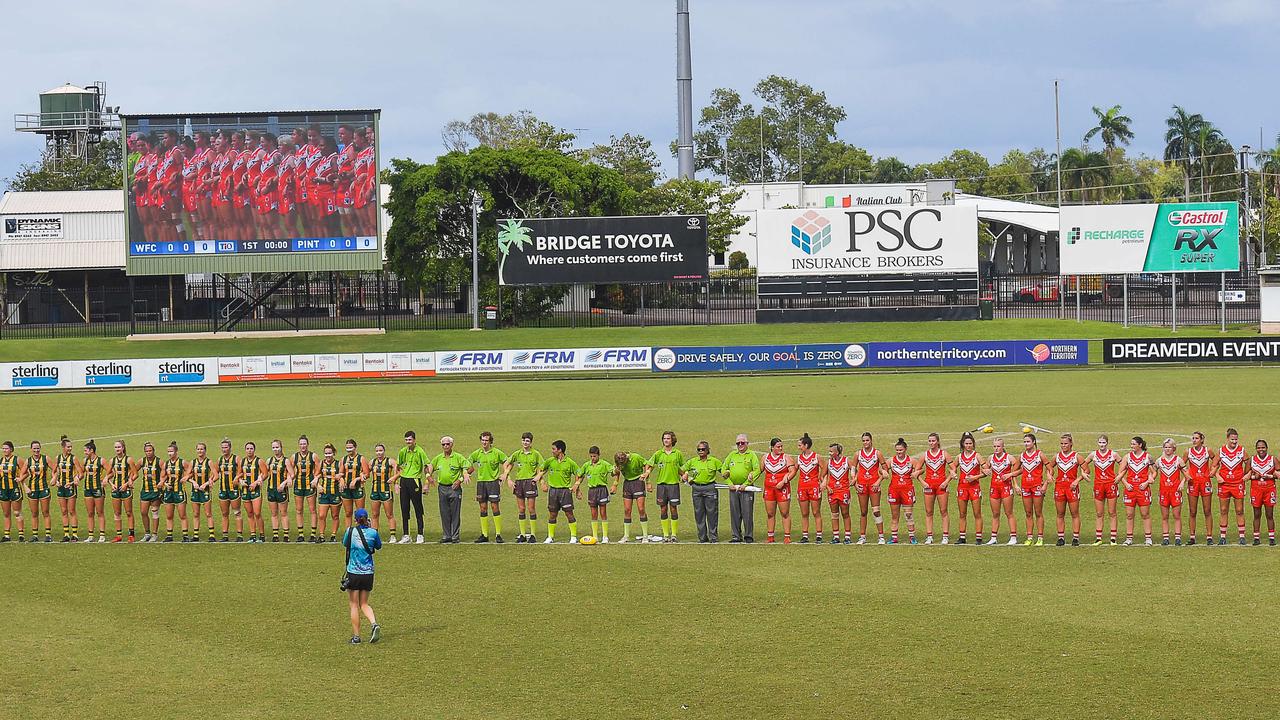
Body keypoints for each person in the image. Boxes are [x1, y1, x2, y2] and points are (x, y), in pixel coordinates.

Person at [343, 508, 383, 645]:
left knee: (354, 605)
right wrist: (371, 529)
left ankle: (356, 637)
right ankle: (373, 623)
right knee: (364, 604)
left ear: (355, 520)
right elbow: (378, 546)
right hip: (368, 573)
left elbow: (344, 544)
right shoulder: (373, 533)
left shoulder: (350, 531)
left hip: (354, 572)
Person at [643, 431, 686, 543]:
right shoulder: (658, 454)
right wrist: (647, 474)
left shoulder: (677, 453)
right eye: (664, 438)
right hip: (661, 485)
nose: (666, 440)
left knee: (673, 509)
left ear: (672, 440)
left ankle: (674, 535)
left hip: (673, 485)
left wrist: (684, 475)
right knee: (663, 509)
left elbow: (682, 467)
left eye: (668, 438)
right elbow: (649, 465)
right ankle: (666, 535)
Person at [537, 440, 580, 543]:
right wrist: (542, 482)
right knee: (552, 514)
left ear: (560, 450)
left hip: (565, 491)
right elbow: (540, 469)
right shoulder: (550, 461)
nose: (552, 451)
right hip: (553, 492)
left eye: (554, 449)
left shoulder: (570, 462)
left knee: (569, 513)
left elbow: (578, 474)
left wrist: (577, 488)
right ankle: (550, 537)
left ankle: (573, 536)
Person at [468, 431, 507, 543]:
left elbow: (505, 461)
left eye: (486, 440)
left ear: (490, 442)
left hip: (493, 483)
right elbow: (468, 462)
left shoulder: (496, 452)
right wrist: (467, 472)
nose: (484, 442)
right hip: (481, 483)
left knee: (495, 507)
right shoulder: (477, 453)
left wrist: (504, 473)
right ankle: (484, 535)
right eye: (483, 440)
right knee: (483, 508)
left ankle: (498, 534)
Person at [720, 434, 760, 543]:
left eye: (742, 443)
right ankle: (736, 536)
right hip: (734, 488)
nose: (740, 445)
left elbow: (757, 470)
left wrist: (746, 484)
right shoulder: (732, 455)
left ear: (747, 443)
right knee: (735, 513)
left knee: (747, 513)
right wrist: (729, 483)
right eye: (738, 443)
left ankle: (748, 536)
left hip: (746, 489)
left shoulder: (751, 455)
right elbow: (723, 469)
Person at [430, 436, 469, 544]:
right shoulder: (438, 458)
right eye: (443, 444)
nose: (445, 446)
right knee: (444, 512)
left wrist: (460, 480)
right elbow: (429, 467)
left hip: (454, 488)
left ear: (452, 445)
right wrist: (428, 476)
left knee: (455, 513)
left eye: (447, 444)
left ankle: (455, 536)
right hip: (442, 487)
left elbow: (470, 468)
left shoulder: (458, 457)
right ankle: (446, 535)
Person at [682, 441, 722, 543]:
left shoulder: (714, 461)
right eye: (699, 449)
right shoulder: (693, 461)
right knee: (699, 513)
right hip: (696, 488)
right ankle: (702, 537)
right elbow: (681, 470)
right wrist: (686, 475)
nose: (700, 451)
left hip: (710, 488)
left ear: (708, 450)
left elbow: (724, 470)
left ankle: (713, 537)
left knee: (712, 513)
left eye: (703, 449)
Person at [505, 432, 542, 543]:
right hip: (519, 483)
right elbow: (507, 464)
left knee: (531, 509)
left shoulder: (536, 454)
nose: (525, 443)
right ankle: (522, 534)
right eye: (523, 440)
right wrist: (509, 479)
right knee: (521, 509)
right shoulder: (517, 453)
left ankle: (533, 535)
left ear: (531, 442)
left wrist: (539, 478)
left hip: (530, 482)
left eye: (527, 441)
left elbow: (542, 467)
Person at [1083, 434, 1119, 546]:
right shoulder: (1093, 454)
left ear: (1107, 443)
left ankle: (1113, 538)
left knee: (1112, 512)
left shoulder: (1113, 454)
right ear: (1097, 443)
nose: (1102, 445)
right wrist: (1083, 473)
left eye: (1104, 443)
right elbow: (1083, 464)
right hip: (1098, 485)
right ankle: (1098, 538)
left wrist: (1119, 476)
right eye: (1100, 443)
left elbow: (1124, 464)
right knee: (1099, 513)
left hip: (1111, 485)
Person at [1214, 428, 1248, 545]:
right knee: (1223, 510)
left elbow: (1248, 463)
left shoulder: (1242, 451)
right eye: (1232, 439)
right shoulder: (1221, 451)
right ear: (1227, 438)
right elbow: (1213, 467)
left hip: (1238, 484)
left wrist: (1247, 475)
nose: (1234, 442)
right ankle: (1223, 537)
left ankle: (1242, 537)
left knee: (1239, 510)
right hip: (1224, 485)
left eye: (1236, 439)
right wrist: (1217, 475)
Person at [396, 431, 430, 544]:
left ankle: (420, 534)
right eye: (406, 440)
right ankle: (406, 535)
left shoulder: (420, 451)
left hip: (415, 481)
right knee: (404, 508)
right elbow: (398, 466)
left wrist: (427, 481)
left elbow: (427, 465)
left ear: (414, 440)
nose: (408, 442)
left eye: (410, 440)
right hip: (404, 481)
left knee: (418, 508)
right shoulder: (402, 451)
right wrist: (396, 481)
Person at [1119, 436, 1154, 546]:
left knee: (1145, 514)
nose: (1131, 446)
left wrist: (1147, 482)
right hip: (1130, 489)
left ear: (1140, 445)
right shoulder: (1127, 457)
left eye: (1134, 444)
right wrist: (1126, 483)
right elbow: (1120, 473)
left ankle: (1148, 538)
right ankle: (1129, 538)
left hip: (1143, 489)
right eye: (1131, 444)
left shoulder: (1148, 457)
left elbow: (1154, 472)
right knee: (1129, 514)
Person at [854, 432, 888, 544]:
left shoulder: (877, 453)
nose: (865, 442)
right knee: (863, 512)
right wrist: (855, 483)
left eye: (867, 440)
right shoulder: (858, 454)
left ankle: (881, 536)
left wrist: (879, 481)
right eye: (863, 440)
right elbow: (853, 469)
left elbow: (885, 468)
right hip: (862, 486)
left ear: (871, 440)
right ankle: (862, 537)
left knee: (876, 511)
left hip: (874, 486)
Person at [919, 432, 951, 545]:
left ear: (937, 442)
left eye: (933, 441)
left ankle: (945, 536)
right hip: (929, 486)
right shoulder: (925, 455)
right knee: (928, 511)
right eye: (930, 441)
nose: (931, 443)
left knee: (943, 511)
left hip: (941, 486)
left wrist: (946, 481)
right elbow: (916, 471)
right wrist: (923, 482)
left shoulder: (944, 454)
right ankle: (929, 536)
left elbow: (953, 470)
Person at [952, 432, 985, 545]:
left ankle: (979, 537)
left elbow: (986, 472)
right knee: (962, 513)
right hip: (962, 487)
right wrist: (953, 473)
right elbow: (952, 468)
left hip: (974, 487)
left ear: (973, 444)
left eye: (970, 443)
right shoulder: (959, 457)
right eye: (966, 443)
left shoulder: (977, 456)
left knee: (977, 513)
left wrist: (975, 477)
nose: (968, 445)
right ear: (963, 444)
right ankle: (962, 537)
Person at [761, 437, 795, 544]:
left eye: (781, 446)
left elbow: (792, 471)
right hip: (769, 489)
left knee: (784, 513)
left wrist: (784, 481)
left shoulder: (786, 458)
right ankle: (770, 536)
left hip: (782, 489)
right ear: (772, 448)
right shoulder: (765, 458)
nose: (780, 448)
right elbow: (759, 470)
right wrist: (751, 475)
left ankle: (787, 536)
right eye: (778, 446)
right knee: (770, 513)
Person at [1184, 431, 1215, 545]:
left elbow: (1216, 461)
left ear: (1202, 440)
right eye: (1193, 438)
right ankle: (1192, 537)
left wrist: (1212, 471)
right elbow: (1182, 465)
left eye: (1196, 438)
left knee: (1207, 510)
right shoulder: (1188, 451)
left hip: (1205, 482)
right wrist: (1187, 475)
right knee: (1193, 511)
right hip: (1193, 483)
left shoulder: (1208, 450)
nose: (1194, 440)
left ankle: (1209, 537)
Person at [1051, 434, 1083, 546]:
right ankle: (1061, 537)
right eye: (1062, 444)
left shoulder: (1077, 456)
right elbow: (1050, 468)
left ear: (1071, 444)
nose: (1063, 446)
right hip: (1059, 487)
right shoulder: (1057, 457)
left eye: (1065, 443)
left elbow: (1086, 471)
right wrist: (1049, 475)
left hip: (1072, 488)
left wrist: (1077, 480)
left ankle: (1076, 538)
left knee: (1074, 513)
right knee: (1060, 513)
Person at [577, 446, 614, 542]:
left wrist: (617, 470)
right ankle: (595, 536)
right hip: (591, 491)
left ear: (599, 455)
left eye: (594, 456)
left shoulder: (604, 464)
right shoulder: (586, 465)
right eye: (591, 456)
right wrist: (577, 487)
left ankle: (605, 536)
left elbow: (614, 471)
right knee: (593, 514)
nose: (593, 458)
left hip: (602, 490)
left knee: (603, 512)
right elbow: (579, 475)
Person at [986, 437, 1018, 545]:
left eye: (998, 446)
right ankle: (993, 537)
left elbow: (1019, 469)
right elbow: (985, 469)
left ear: (1003, 446)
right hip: (994, 487)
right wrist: (985, 470)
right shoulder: (990, 458)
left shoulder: (1009, 458)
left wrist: (1013, 479)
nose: (996, 448)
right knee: (995, 513)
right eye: (994, 446)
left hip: (1006, 487)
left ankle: (1013, 537)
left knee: (1009, 513)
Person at [289, 435, 320, 543]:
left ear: (308, 444)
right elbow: (290, 469)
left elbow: (318, 470)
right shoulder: (294, 457)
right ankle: (301, 534)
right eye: (301, 444)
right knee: (299, 510)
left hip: (309, 485)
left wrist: (315, 479)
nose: (303, 446)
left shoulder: (313, 456)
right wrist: (289, 478)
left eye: (304, 444)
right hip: (298, 484)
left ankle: (312, 534)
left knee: (312, 510)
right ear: (299, 445)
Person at [887, 438, 917, 544]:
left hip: (907, 490)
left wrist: (917, 473)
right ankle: (894, 537)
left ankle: (912, 537)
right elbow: (883, 468)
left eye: (901, 450)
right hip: (894, 490)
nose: (899, 452)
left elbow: (920, 469)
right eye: (897, 450)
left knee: (908, 514)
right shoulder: (891, 460)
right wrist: (883, 472)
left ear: (905, 449)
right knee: (895, 515)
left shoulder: (911, 460)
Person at [1156, 439, 1186, 546]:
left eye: (1170, 447)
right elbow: (1153, 472)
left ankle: (1178, 537)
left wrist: (1182, 483)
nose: (1168, 449)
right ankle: (1166, 538)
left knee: (1176, 515)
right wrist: (1150, 478)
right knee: (1165, 516)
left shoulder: (1178, 460)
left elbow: (1187, 474)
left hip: (1175, 491)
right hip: (1163, 491)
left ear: (1174, 448)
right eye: (1166, 447)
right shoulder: (1159, 460)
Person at [1018, 433, 1046, 546]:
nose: (1026, 444)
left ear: (1033, 442)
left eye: (1028, 441)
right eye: (1024, 442)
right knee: (1028, 513)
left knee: (1038, 512)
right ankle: (1029, 537)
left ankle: (1040, 537)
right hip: (1025, 487)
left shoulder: (1040, 454)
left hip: (1037, 486)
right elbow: (1016, 470)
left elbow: (1050, 469)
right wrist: (1014, 482)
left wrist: (1046, 483)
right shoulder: (1022, 456)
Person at [794, 434, 823, 543]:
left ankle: (819, 535)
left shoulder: (816, 457)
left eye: (800, 445)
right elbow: (793, 471)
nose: (799, 447)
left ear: (806, 445)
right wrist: (785, 478)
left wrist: (822, 480)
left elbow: (824, 468)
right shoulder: (798, 458)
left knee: (816, 512)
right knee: (804, 513)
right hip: (802, 488)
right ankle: (805, 535)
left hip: (814, 487)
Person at [367, 444, 399, 542]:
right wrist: (362, 476)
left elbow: (399, 471)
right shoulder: (372, 462)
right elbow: (366, 472)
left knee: (389, 514)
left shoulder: (390, 461)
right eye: (377, 451)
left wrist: (394, 479)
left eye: (380, 450)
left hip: (386, 491)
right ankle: (374, 536)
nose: (379, 453)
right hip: (375, 490)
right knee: (374, 514)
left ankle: (393, 536)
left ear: (384, 451)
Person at [824, 442, 853, 544]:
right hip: (832, 492)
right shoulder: (828, 463)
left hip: (844, 491)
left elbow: (855, 471)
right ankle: (836, 536)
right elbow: (821, 476)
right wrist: (827, 486)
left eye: (831, 451)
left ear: (837, 452)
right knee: (834, 514)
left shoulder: (846, 461)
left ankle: (847, 536)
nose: (829, 453)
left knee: (845, 513)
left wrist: (853, 480)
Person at [107, 440, 136, 543]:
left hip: (126, 489)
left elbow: (135, 474)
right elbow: (108, 475)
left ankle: (131, 535)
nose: (117, 449)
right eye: (116, 447)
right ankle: (119, 535)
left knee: (128, 512)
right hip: (116, 489)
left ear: (123, 448)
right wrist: (111, 484)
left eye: (119, 447)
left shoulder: (129, 460)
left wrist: (127, 484)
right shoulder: (112, 461)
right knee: (117, 512)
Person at [23, 441, 52, 543]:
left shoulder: (46, 459)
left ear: (40, 448)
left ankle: (48, 535)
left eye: (38, 448)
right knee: (34, 513)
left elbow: (55, 469)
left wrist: (55, 479)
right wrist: (25, 486)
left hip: (44, 489)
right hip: (32, 490)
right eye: (34, 448)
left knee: (45, 512)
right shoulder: (28, 461)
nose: (36, 450)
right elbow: (21, 476)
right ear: (31, 449)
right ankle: (35, 535)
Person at [160, 441, 189, 543]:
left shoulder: (182, 462)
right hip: (168, 492)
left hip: (179, 491)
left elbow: (190, 471)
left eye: (171, 451)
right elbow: (162, 477)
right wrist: (164, 484)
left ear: (176, 451)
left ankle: (185, 536)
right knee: (169, 515)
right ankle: (169, 535)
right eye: (168, 451)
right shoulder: (166, 464)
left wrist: (186, 477)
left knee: (182, 515)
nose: (169, 453)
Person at [1249, 439, 1276, 546]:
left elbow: (1278, 473)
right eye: (1259, 448)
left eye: (1263, 447)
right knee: (1256, 514)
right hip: (1256, 490)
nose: (1261, 449)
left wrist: (1270, 476)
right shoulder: (1252, 460)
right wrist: (1253, 477)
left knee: (1269, 514)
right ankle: (1256, 537)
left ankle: (1271, 537)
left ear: (1267, 448)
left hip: (1269, 490)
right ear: (1256, 449)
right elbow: (1245, 475)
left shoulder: (1273, 459)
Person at [54, 436, 81, 542]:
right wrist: (55, 480)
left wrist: (75, 479)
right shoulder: (58, 458)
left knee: (71, 511)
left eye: (71, 447)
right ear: (63, 447)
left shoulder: (73, 458)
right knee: (64, 511)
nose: (70, 449)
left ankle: (75, 535)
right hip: (61, 487)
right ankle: (66, 534)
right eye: (68, 447)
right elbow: (54, 471)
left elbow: (81, 472)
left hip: (70, 487)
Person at [79, 440, 107, 543]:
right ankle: (90, 536)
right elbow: (81, 473)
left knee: (100, 512)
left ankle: (102, 535)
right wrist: (77, 478)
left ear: (92, 450)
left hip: (98, 489)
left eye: (86, 450)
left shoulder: (101, 460)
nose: (85, 452)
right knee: (90, 513)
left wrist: (106, 478)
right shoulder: (85, 461)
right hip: (87, 489)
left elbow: (111, 472)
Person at [239, 441, 266, 543]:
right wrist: (241, 481)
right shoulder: (242, 462)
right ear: (245, 450)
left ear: (254, 450)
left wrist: (257, 482)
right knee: (249, 513)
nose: (249, 450)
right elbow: (239, 475)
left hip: (256, 490)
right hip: (245, 491)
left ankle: (262, 535)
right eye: (247, 449)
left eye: (251, 449)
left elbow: (265, 474)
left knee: (257, 513)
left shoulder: (259, 461)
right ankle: (253, 535)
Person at [215, 438, 242, 542]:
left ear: (230, 448)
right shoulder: (219, 460)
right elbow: (215, 473)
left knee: (237, 512)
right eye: (222, 448)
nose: (224, 449)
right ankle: (225, 535)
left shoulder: (236, 459)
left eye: (226, 447)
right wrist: (211, 480)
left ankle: (239, 535)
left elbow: (241, 471)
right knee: (224, 513)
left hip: (234, 489)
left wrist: (237, 478)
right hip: (223, 489)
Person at [339, 439, 369, 530]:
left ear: (355, 447)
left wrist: (356, 479)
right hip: (346, 489)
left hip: (358, 488)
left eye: (351, 447)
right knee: (348, 513)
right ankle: (348, 532)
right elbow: (340, 473)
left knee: (360, 513)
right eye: (347, 448)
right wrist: (341, 479)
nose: (349, 450)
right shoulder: (343, 459)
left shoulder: (361, 459)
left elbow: (367, 474)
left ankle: (362, 531)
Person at [136, 442, 163, 543]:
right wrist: (130, 479)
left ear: (153, 451)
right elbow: (134, 471)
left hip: (156, 491)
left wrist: (162, 482)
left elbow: (165, 473)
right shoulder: (142, 461)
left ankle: (154, 534)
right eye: (146, 451)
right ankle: (147, 533)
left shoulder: (159, 462)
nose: (148, 453)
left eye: (150, 451)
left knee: (154, 512)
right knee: (143, 512)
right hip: (145, 490)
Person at [188, 442, 215, 542]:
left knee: (208, 513)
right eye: (198, 449)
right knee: (196, 513)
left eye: (202, 449)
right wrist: (193, 481)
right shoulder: (192, 462)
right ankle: (195, 535)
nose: (200, 451)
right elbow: (186, 476)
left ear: (205, 450)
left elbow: (216, 475)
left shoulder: (209, 462)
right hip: (195, 491)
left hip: (205, 491)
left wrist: (206, 483)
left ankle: (211, 535)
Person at [265, 440, 290, 542]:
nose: (275, 449)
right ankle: (275, 535)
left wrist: (284, 483)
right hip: (271, 489)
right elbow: (265, 473)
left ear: (281, 447)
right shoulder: (269, 460)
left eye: (277, 447)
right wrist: (258, 479)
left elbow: (291, 474)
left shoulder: (286, 461)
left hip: (282, 491)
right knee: (274, 513)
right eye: (273, 447)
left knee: (283, 512)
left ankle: (286, 535)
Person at [317, 443, 343, 543]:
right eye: (326, 453)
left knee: (335, 515)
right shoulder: (321, 463)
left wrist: (341, 480)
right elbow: (316, 475)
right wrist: (318, 485)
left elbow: (341, 474)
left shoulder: (338, 463)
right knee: (322, 515)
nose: (328, 455)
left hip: (335, 493)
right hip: (324, 493)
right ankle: (322, 535)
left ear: (333, 453)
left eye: (330, 453)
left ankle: (333, 535)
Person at [0, 441, 21, 542]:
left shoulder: (17, 460)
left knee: (17, 512)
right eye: (3, 448)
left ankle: (21, 535)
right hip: (3, 490)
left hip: (15, 489)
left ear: (11, 449)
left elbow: (26, 471)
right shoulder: (1, 461)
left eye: (6, 448)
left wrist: (20, 477)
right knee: (6, 513)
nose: (4, 450)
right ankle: (7, 535)